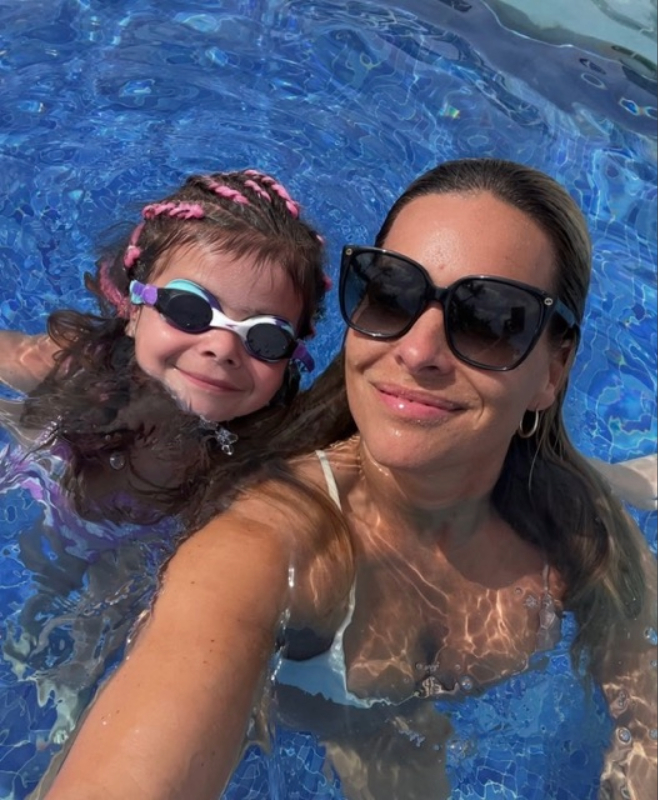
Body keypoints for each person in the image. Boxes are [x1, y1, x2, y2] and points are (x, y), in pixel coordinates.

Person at [41, 158, 657, 800]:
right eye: (392, 292)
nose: (417, 351)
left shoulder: (576, 524)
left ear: (554, 370)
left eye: (492, 320)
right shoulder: (264, 545)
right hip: (346, 718)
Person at [0, 168, 329, 524]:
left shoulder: (271, 456)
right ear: (134, 310)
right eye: (189, 309)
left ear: (292, 354)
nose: (222, 348)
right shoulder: (80, 362)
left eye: (266, 338)